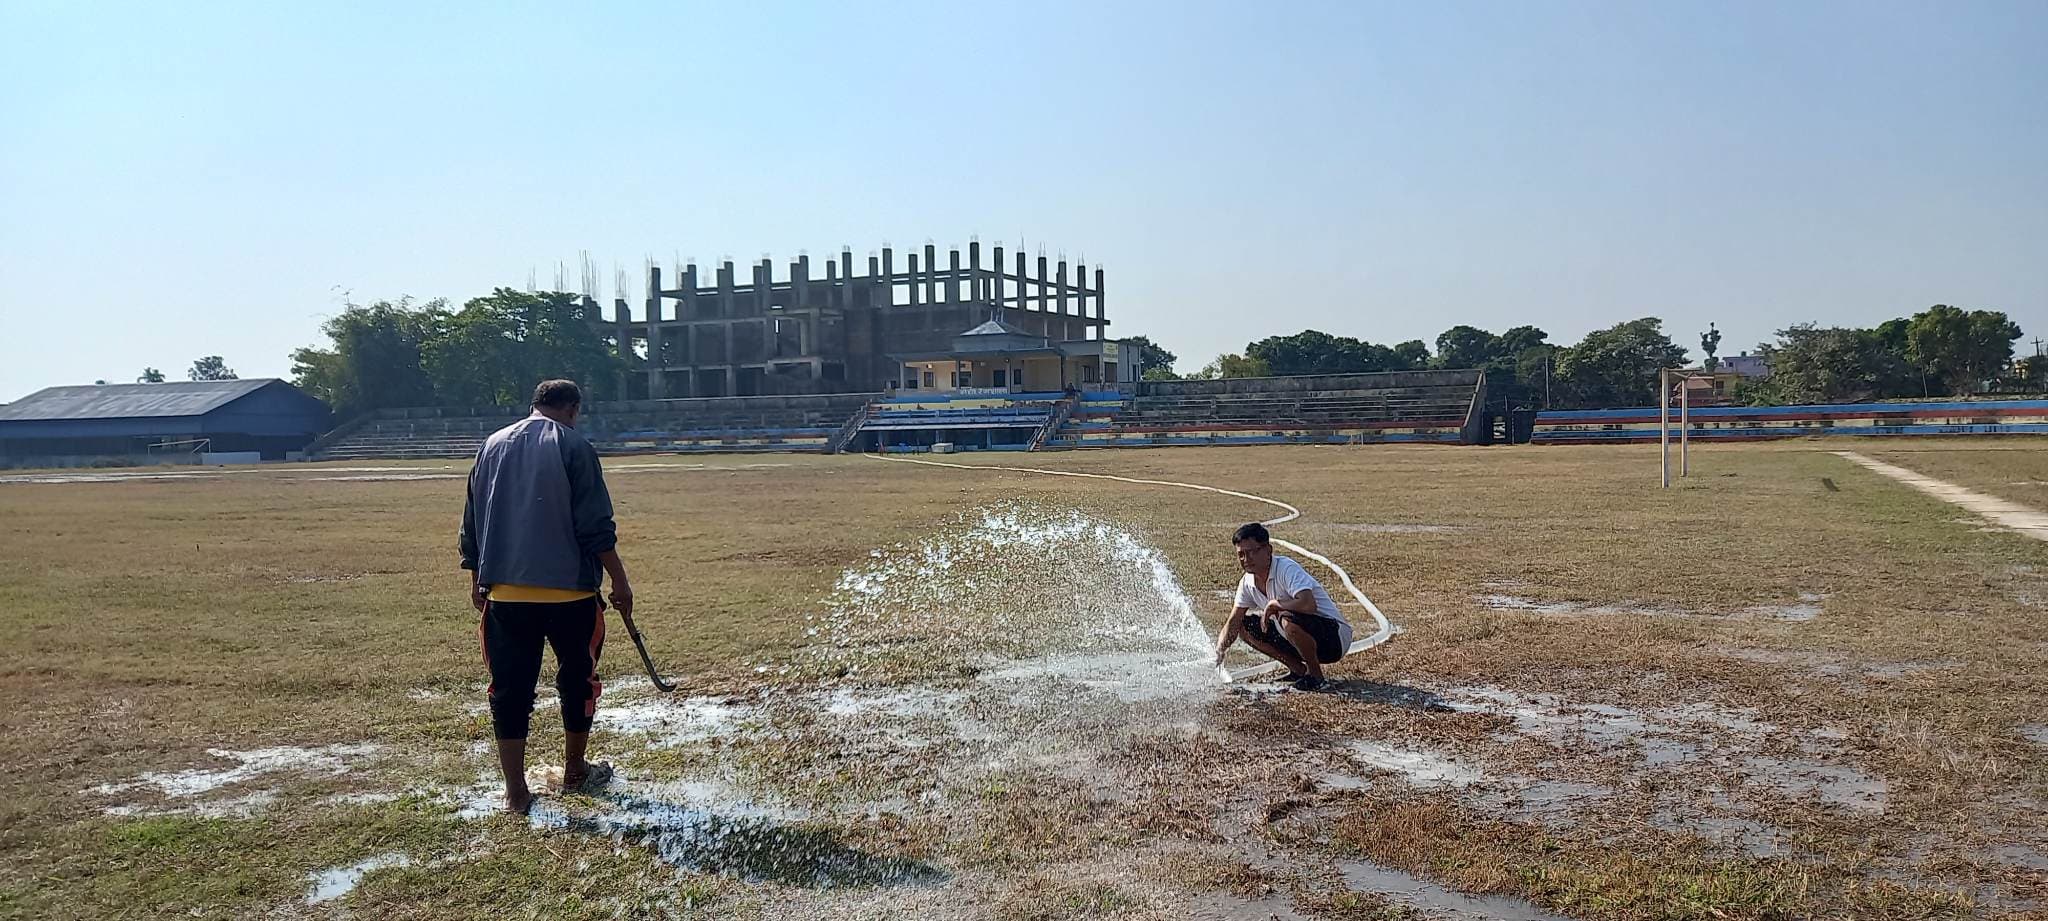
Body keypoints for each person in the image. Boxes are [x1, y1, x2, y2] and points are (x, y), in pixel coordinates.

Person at [459, 379, 634, 814]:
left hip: (505, 594)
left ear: (534, 405)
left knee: (510, 690)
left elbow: (472, 518)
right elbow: (594, 525)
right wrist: (620, 580)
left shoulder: (492, 444)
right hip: (570, 594)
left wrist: (476, 576)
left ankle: (515, 792)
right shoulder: (574, 446)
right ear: (572, 409)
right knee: (577, 680)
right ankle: (575, 767)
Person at [1212, 522, 1352, 691]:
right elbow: (1233, 621)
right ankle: (1298, 670)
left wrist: (1275, 605)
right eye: (1241, 554)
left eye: (1252, 552)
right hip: (1295, 637)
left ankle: (1316, 677)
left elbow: (1309, 604)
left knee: (1286, 618)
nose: (1246, 559)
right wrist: (1219, 650)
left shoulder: (1286, 569)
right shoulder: (1247, 583)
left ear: (1268, 550)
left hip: (1334, 639)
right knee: (1243, 627)